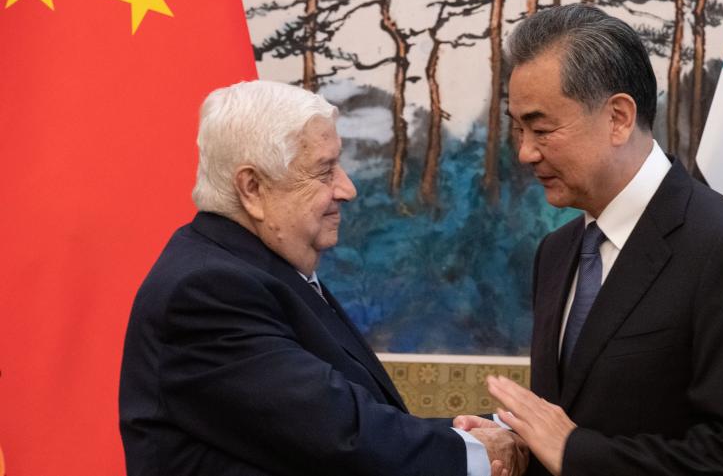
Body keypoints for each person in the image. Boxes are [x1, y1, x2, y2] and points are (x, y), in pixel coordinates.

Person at [119, 80, 527, 476]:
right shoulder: (208, 291)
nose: (347, 189)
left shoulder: (259, 269)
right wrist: (476, 452)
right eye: (324, 170)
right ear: (252, 188)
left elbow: (344, 423)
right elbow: (339, 434)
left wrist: (483, 434)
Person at [455, 4, 723, 476]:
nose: (525, 152)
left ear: (617, 117)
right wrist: (515, 441)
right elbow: (579, 419)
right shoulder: (555, 253)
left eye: (541, 128)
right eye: (517, 129)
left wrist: (574, 452)